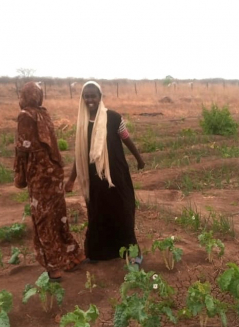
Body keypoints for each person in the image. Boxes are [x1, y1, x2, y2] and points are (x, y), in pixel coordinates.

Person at [65, 81, 145, 262]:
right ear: (82, 98)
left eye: (93, 95)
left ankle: (134, 254)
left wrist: (139, 159)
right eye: (86, 96)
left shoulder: (114, 118)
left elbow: (127, 139)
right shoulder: (82, 123)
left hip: (115, 176)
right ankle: (98, 253)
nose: (89, 99)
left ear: (100, 97)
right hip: (94, 180)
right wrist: (71, 180)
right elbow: (80, 155)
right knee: (97, 214)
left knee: (122, 212)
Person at [14, 82, 84, 281]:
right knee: (57, 214)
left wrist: (19, 176)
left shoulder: (25, 116)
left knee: (43, 218)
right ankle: (72, 256)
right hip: (54, 173)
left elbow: (22, 148)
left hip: (39, 174)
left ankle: (54, 266)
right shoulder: (44, 113)